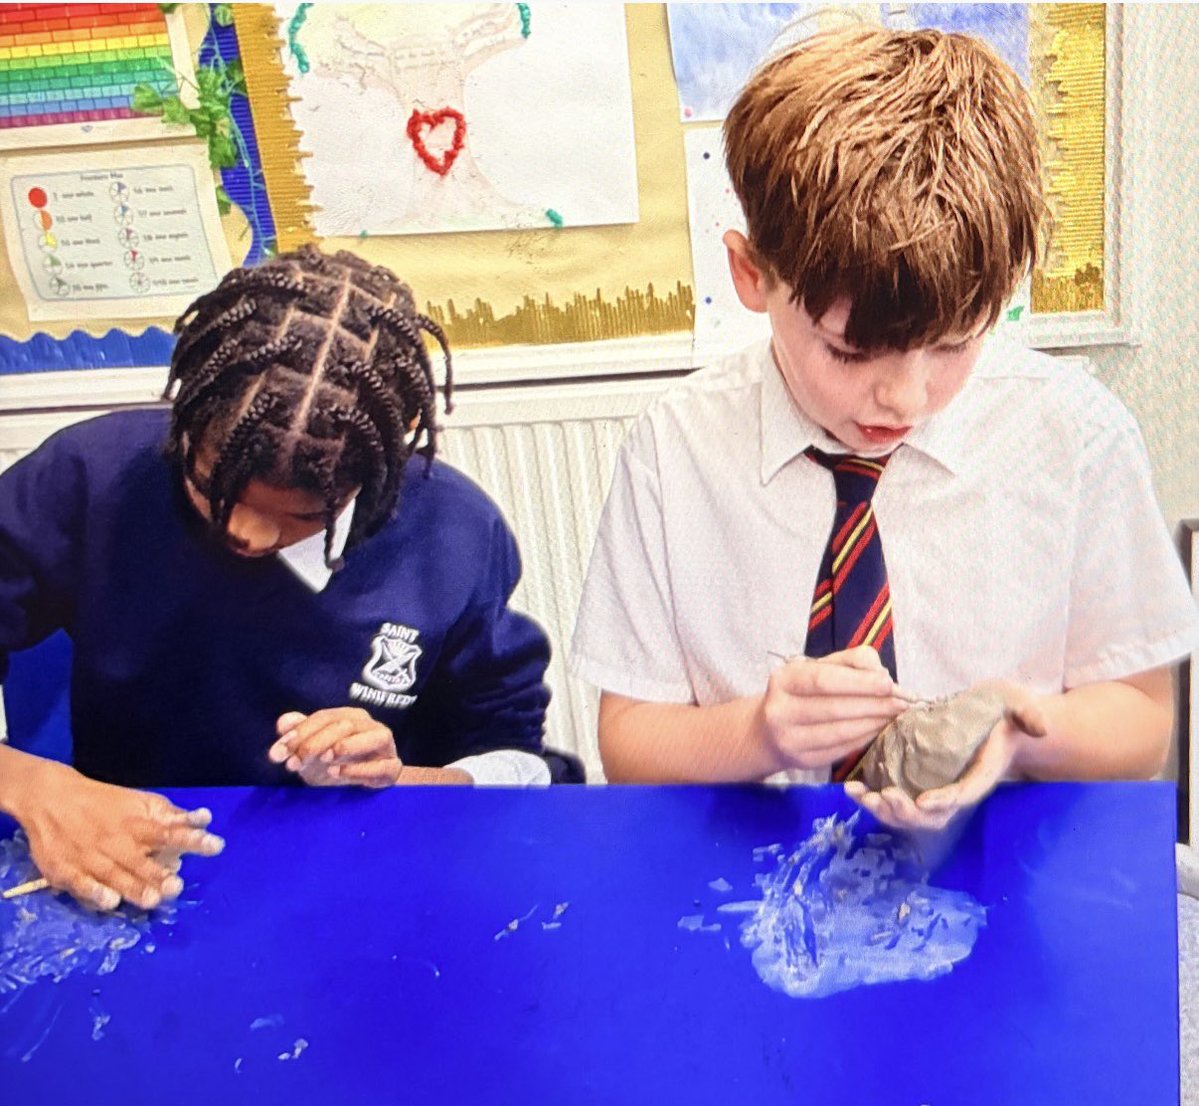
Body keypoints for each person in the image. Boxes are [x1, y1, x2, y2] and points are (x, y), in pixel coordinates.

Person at [570, 27, 1199, 828]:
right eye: (848, 350)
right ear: (751, 275)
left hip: (996, 857)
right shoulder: (673, 449)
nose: (903, 399)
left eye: (953, 345)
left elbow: (1141, 725)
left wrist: (1019, 733)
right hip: (753, 863)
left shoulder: (1077, 437)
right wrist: (758, 733)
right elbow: (630, 743)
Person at [0, 246, 566, 913]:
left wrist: (398, 776)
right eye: (211, 487)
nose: (246, 532)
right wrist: (32, 785)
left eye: (301, 517)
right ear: (190, 417)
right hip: (135, 851)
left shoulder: (453, 533)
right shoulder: (90, 477)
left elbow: (516, 757)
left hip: (358, 871)